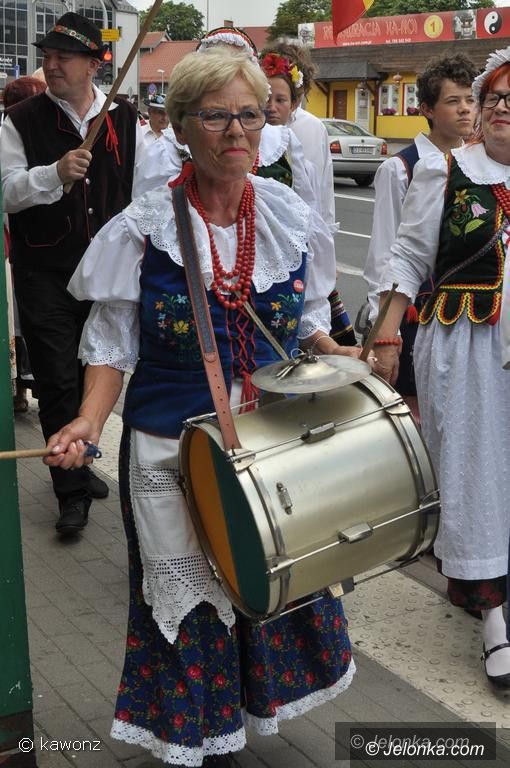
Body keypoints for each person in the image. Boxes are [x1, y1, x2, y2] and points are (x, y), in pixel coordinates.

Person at [44, 49, 363, 766]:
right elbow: (112, 347)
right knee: (186, 602)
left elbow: (305, 319)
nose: (236, 130)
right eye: (216, 116)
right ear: (183, 126)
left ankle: (243, 718)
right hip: (172, 447)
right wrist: (88, 420)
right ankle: (197, 739)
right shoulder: (144, 227)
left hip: (270, 446)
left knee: (265, 581)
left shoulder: (285, 214)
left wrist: (333, 349)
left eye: (250, 114)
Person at [373, 45, 510, 689]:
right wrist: (386, 331)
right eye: (495, 97)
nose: (503, 107)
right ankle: (494, 619)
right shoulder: (446, 171)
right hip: (467, 345)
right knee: (478, 475)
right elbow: (407, 257)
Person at [0, 12, 143, 535]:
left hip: (105, 276)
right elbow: (6, 191)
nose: (52, 65)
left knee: (95, 375)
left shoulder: (123, 118)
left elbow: (141, 192)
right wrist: (53, 174)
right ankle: (71, 493)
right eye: (48, 56)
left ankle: (80, 459)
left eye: (64, 57)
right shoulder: (20, 119)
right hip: (45, 274)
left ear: (92, 64)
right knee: (58, 380)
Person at [363, 54, 477, 419]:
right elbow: (387, 254)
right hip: (416, 312)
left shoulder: (479, 165)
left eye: (470, 99)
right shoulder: (399, 169)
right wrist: (387, 333)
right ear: (427, 109)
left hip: (467, 315)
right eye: (453, 101)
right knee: (416, 413)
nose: (465, 109)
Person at [259, 45, 356, 346]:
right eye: (266, 98)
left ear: (295, 99)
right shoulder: (248, 131)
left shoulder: (311, 129)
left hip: (298, 239)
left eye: (280, 99)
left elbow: (319, 195)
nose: (271, 106)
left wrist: (327, 253)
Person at [2, 76, 47, 413]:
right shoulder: (14, 131)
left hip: (25, 246)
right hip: (17, 244)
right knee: (17, 318)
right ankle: (20, 389)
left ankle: (25, 388)